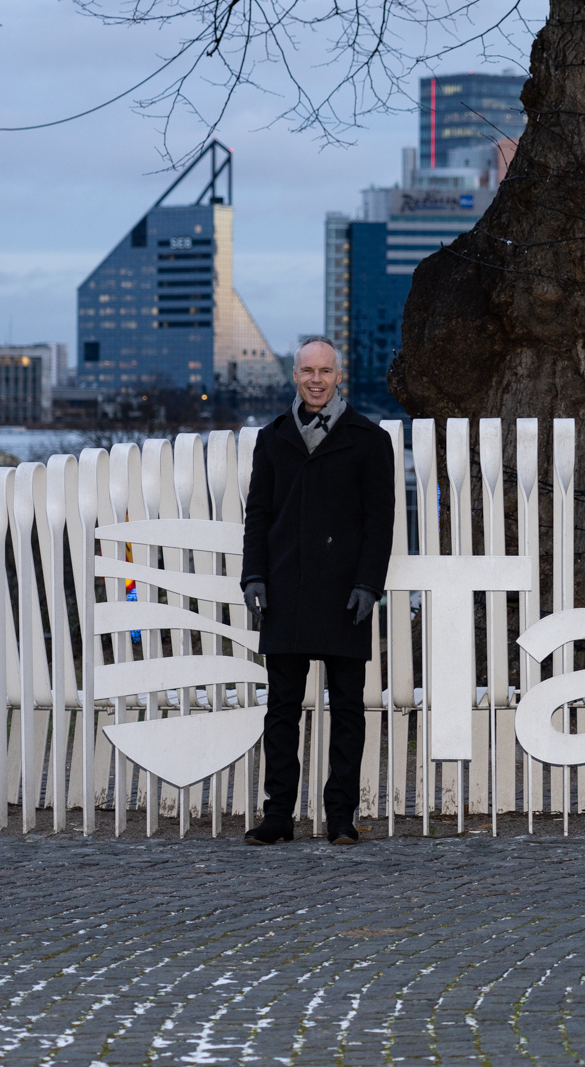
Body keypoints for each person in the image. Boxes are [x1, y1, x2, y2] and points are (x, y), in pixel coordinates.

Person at [240, 334, 396, 845]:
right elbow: (258, 514)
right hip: (284, 589)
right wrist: (254, 576)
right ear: (294, 375)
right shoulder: (273, 437)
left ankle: (340, 819)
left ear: (338, 375)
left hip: (345, 594)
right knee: (281, 709)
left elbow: (380, 523)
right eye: (306, 371)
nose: (315, 380)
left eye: (324, 371)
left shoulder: (370, 440)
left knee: (347, 709)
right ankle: (277, 817)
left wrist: (369, 584)